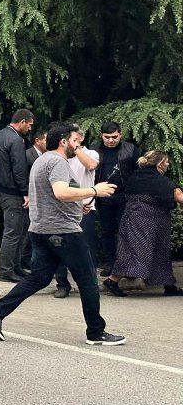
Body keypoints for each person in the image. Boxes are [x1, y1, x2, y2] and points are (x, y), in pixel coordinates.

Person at [0, 122, 125, 346]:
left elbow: (50, 195)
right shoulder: (57, 161)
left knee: (38, 278)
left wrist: (79, 204)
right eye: (75, 141)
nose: (78, 145)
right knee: (88, 281)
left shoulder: (42, 160)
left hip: (41, 230)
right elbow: (61, 192)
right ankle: (96, 333)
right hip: (63, 232)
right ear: (63, 141)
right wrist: (94, 191)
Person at [102, 150, 182, 296]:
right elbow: (178, 196)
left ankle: (169, 286)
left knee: (145, 251)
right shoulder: (160, 181)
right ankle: (112, 280)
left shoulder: (135, 176)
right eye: (166, 162)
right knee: (142, 252)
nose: (168, 164)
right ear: (159, 164)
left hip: (137, 219)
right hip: (146, 221)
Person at [0, 109, 35, 283]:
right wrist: (25, 193)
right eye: (29, 124)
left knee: (21, 227)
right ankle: (6, 271)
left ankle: (15, 267)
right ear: (22, 122)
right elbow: (19, 169)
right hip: (11, 192)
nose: (30, 128)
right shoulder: (16, 140)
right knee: (13, 231)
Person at [58, 134, 100, 297]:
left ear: (81, 138)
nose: (69, 142)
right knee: (60, 245)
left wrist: (75, 148)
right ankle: (62, 284)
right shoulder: (60, 156)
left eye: (74, 138)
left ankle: (90, 284)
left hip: (86, 208)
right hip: (63, 208)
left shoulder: (91, 153)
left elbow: (91, 165)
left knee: (86, 247)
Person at [93, 122, 137, 272]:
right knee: (107, 231)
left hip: (125, 196)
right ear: (101, 135)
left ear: (120, 134)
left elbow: (138, 171)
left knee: (127, 230)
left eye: (114, 137)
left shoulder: (130, 149)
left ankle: (128, 265)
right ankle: (111, 264)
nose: (111, 140)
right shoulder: (94, 150)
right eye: (107, 137)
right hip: (103, 196)